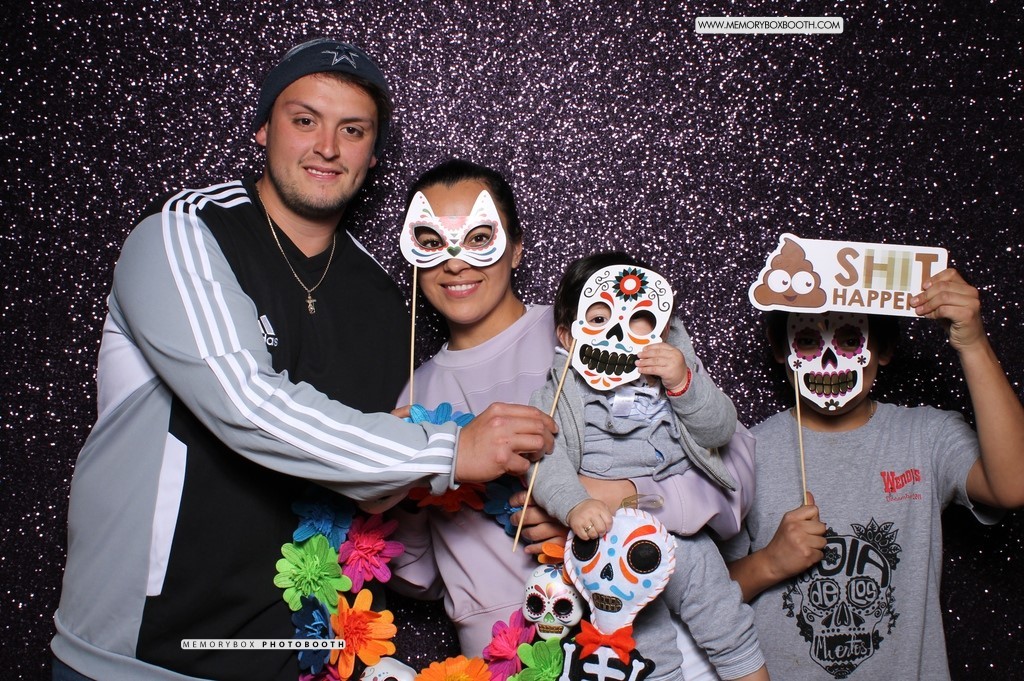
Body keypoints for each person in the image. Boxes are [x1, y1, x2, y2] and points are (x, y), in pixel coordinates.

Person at [50, 41, 556, 681]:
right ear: (265, 128)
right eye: (305, 119)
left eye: (353, 130)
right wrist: (449, 451)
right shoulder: (187, 232)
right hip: (142, 655)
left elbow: (370, 485)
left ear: (372, 156)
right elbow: (245, 404)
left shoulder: (383, 302)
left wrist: (537, 500)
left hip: (297, 660)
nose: (327, 147)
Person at [386, 159, 756, 680]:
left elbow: (734, 469)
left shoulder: (602, 327)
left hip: (640, 642)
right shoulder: (414, 394)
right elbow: (417, 576)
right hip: (504, 660)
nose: (455, 261)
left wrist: (617, 497)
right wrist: (406, 486)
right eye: (431, 241)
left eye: (479, 238)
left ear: (517, 248)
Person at [720, 269, 1024, 680]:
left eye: (850, 340)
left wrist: (972, 344)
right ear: (781, 349)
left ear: (884, 348)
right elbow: (703, 597)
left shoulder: (926, 436)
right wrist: (769, 564)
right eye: (808, 340)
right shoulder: (745, 452)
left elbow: (1014, 485)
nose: (830, 360)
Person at [527, 252, 767, 681]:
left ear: (664, 326)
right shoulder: (559, 392)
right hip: (611, 543)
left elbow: (719, 431)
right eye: (599, 318)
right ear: (568, 336)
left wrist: (683, 383)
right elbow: (545, 461)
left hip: (685, 537)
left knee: (727, 622)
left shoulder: (679, 371)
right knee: (641, 649)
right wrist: (575, 504)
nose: (620, 332)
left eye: (639, 318)